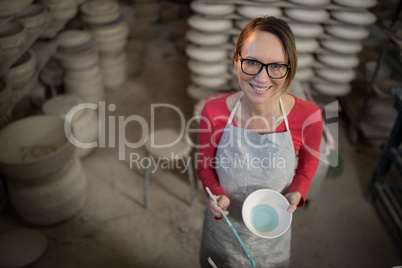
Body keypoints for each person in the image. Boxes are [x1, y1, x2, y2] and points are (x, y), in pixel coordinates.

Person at [197, 16, 323, 268]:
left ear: (289, 68)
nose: (262, 79)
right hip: (224, 232)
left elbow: (309, 161)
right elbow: (204, 166)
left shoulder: (308, 116)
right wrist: (216, 194)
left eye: (276, 66)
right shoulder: (213, 112)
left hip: (273, 239)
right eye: (252, 62)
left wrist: (298, 190)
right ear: (236, 60)